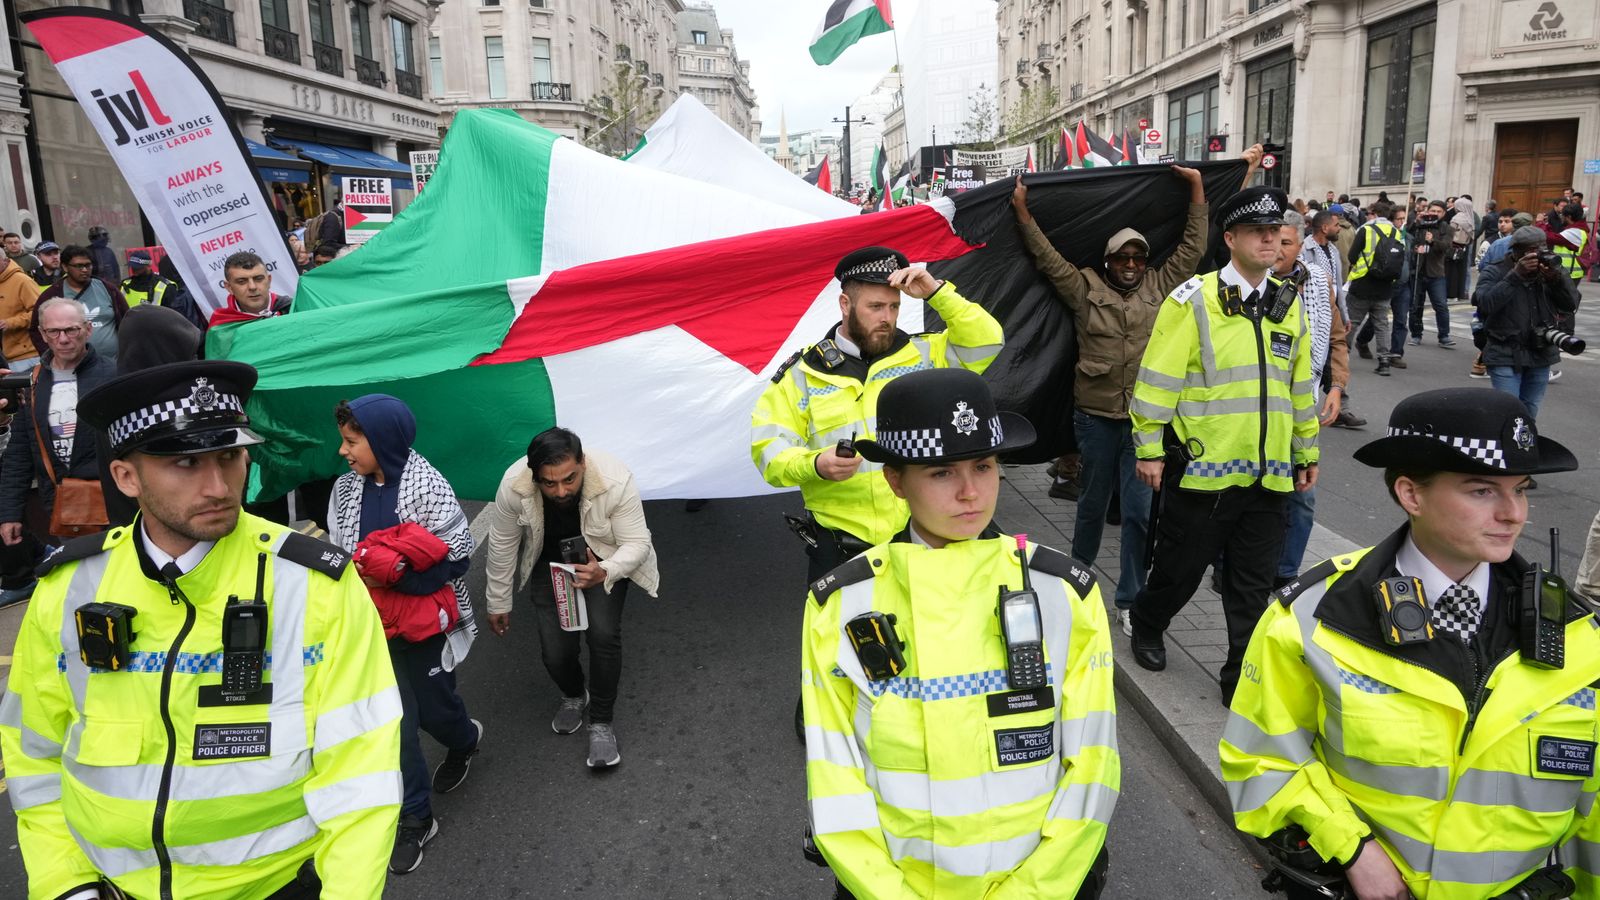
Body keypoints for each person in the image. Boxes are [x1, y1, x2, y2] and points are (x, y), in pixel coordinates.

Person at [0, 359, 402, 900]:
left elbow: (361, 771)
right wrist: (64, 884)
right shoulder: (69, 588)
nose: (219, 486)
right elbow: (33, 752)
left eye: (230, 456)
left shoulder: (316, 585)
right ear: (125, 476)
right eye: (186, 461)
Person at [1221, 388, 1596, 900]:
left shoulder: (1578, 637)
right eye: (1482, 490)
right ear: (1411, 494)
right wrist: (1352, 849)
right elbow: (1260, 758)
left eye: (1521, 489)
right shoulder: (1314, 618)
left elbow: (1591, 816)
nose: (1513, 514)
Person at [802, 367, 1117, 900]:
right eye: (942, 473)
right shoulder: (842, 602)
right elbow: (834, 772)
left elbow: (1092, 763)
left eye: (985, 466)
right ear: (895, 481)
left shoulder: (1062, 592)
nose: (972, 492)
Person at [1127, 185, 1320, 705]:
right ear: (1230, 238)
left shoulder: (1288, 304)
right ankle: (1146, 620)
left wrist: (1306, 452)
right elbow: (1157, 378)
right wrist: (1148, 447)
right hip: (1205, 473)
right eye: (1257, 231)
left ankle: (1240, 672)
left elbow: (1300, 388)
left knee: (1252, 586)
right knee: (1179, 571)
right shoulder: (1193, 300)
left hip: (1270, 475)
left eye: (1276, 232)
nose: (1270, 239)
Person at [1011, 165, 1210, 636]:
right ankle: (1078, 583)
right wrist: (1022, 211)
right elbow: (1046, 257)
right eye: (1123, 258)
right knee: (1091, 506)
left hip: (1144, 424)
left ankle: (1130, 598)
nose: (1131, 265)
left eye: (1138, 258)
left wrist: (1198, 189)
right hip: (1095, 420)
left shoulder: (1162, 287)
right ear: (1108, 261)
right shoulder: (1084, 289)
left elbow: (1193, 249)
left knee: (1140, 514)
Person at [752, 246, 1004, 582]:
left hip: (926, 538)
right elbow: (769, 452)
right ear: (845, 305)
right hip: (843, 548)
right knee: (835, 634)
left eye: (894, 307)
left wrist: (937, 293)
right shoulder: (803, 374)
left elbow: (987, 342)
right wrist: (815, 465)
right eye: (875, 307)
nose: (886, 317)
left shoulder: (925, 354)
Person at [327, 394, 482, 875]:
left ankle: (463, 739)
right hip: (373, 628)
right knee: (396, 723)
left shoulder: (427, 486)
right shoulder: (345, 490)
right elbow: (338, 552)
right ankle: (415, 818)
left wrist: (398, 580)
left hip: (425, 626)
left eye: (352, 442)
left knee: (436, 711)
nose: (343, 452)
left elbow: (460, 553)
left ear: (383, 440)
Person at [483, 427, 658, 768]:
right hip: (549, 564)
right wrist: (498, 601)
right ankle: (575, 694)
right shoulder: (512, 485)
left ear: (582, 463)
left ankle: (601, 723)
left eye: (569, 480)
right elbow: (502, 544)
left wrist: (605, 571)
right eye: (549, 483)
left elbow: (638, 542)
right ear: (534, 477)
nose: (560, 491)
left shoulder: (614, 478)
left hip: (603, 558)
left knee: (603, 635)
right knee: (555, 652)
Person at [0, 298, 118, 548]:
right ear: (43, 334)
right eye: (54, 331)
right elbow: (18, 452)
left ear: (88, 329)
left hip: (115, 502)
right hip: (63, 505)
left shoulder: (114, 375)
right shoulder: (31, 382)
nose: (63, 339)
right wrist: (9, 513)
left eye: (71, 330)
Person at [1273, 223, 1348, 584]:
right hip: (1258, 407)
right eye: (1270, 239)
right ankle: (1231, 566)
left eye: (1285, 242)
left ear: (1298, 245)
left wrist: (1336, 388)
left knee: (1302, 495)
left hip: (1303, 406)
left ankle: (1287, 573)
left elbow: (1335, 338)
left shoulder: (1318, 281)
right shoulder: (1248, 284)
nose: (1276, 249)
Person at [1472, 226, 1580, 421]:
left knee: (1530, 412)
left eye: (1541, 248)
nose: (1537, 255)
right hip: (1504, 351)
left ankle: (1524, 449)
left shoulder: (1549, 270)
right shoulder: (1495, 271)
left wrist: (1557, 280)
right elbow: (1485, 304)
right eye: (1531, 250)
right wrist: (1515, 275)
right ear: (1516, 252)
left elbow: (1571, 304)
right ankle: (1505, 449)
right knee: (1509, 413)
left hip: (1540, 351)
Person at [1344, 200, 1407, 375]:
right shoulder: (1396, 232)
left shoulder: (1366, 230)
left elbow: (1352, 255)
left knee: (1352, 322)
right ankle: (1384, 361)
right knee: (1382, 325)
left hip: (1363, 283)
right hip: (1385, 286)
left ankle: (1342, 357)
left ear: (1374, 214)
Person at [31, 245, 126, 361]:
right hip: (72, 367)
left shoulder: (107, 289)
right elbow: (36, 330)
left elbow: (127, 320)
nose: (85, 270)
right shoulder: (52, 295)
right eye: (79, 266)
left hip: (114, 364)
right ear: (65, 267)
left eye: (88, 265)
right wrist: (51, 358)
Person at [1406, 200, 1454, 346]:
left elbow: (1446, 246)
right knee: (1415, 305)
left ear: (1444, 214)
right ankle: (1416, 334)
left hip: (1436, 272)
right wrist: (1415, 223)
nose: (1435, 214)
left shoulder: (1447, 228)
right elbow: (1407, 238)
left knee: (1440, 305)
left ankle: (1444, 335)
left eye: (1438, 212)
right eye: (1433, 211)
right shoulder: (1419, 226)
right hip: (1418, 271)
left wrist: (1432, 241)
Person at [207, 251, 292, 327]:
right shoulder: (221, 326)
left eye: (258, 279)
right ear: (229, 287)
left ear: (269, 280)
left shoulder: (293, 309)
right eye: (241, 281)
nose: (252, 287)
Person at [0, 249, 41, 371]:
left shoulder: (23, 281)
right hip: (5, 358)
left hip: (27, 356)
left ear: (5, 260)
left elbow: (41, 312)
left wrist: (9, 323)